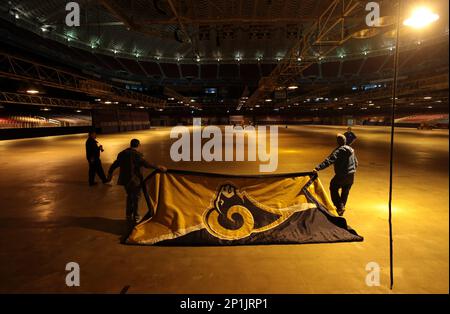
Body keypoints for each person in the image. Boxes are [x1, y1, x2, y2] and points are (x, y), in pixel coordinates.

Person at [107, 139, 166, 224]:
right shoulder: (137, 155)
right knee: (136, 198)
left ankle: (128, 215)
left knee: (129, 196)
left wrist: (110, 173)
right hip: (135, 181)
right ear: (138, 146)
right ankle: (136, 216)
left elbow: (114, 164)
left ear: (130, 144)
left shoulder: (122, 154)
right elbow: (146, 164)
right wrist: (158, 167)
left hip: (125, 180)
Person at [314, 134, 358, 216]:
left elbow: (329, 160)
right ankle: (341, 208)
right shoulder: (351, 150)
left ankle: (339, 206)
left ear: (338, 142)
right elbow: (356, 163)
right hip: (351, 175)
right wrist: (352, 170)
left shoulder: (338, 151)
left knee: (333, 187)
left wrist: (318, 168)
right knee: (345, 191)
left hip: (342, 175)